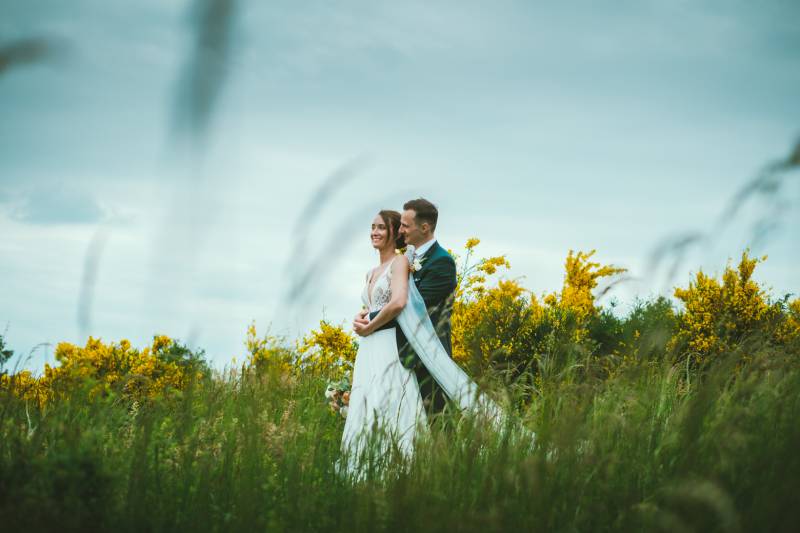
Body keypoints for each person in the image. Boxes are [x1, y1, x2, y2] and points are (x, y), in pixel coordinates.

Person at [339, 210, 428, 475]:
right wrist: (360, 318)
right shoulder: (371, 271)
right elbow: (372, 306)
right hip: (367, 349)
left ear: (393, 232)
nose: (374, 232)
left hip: (387, 344)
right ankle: (362, 470)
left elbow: (398, 302)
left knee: (387, 403)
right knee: (363, 404)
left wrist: (369, 327)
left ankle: (399, 471)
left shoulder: (399, 263)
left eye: (380, 227)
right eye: (372, 227)